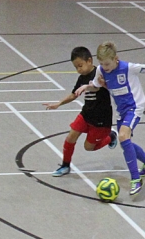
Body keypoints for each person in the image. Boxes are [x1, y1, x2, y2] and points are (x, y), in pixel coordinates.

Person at [75, 42, 145, 195]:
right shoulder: (101, 70)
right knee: (125, 142)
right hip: (121, 110)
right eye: (101, 64)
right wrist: (86, 87)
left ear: (116, 59)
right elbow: (96, 86)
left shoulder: (128, 68)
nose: (104, 67)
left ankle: (135, 179)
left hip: (134, 106)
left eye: (107, 64)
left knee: (123, 136)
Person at [44, 46, 118, 177]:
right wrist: (59, 103)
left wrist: (91, 86)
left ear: (89, 60)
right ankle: (65, 165)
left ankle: (111, 137)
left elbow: (99, 87)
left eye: (80, 65)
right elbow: (74, 94)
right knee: (70, 137)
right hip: (86, 114)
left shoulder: (100, 74)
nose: (78, 69)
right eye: (76, 67)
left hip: (101, 119)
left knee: (88, 147)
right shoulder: (82, 77)